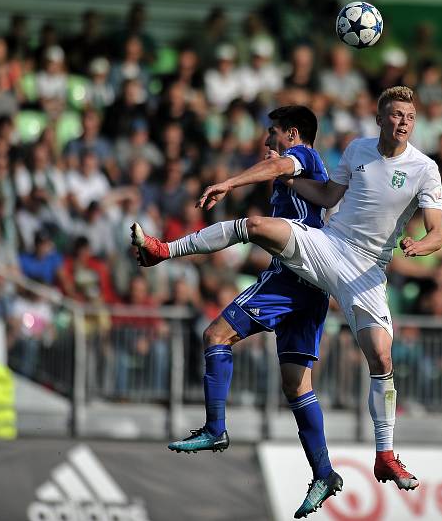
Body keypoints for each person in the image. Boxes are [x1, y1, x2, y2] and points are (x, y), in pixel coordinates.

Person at [133, 86, 442, 492]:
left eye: (410, 117)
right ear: (381, 118)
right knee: (256, 225)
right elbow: (331, 194)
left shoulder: (424, 168)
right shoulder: (356, 151)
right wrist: (294, 185)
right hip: (330, 245)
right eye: (397, 114)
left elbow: (436, 232)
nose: (403, 122)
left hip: (368, 270)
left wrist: (420, 245)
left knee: (381, 356)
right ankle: (164, 250)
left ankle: (384, 456)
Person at [136, 105, 342, 518]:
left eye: (273, 133)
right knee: (296, 386)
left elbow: (282, 164)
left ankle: (215, 428)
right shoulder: (300, 176)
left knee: (215, 335)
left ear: (293, 134)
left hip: (292, 273)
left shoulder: (305, 158)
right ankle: (324, 472)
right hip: (314, 286)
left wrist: (228, 182)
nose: (267, 142)